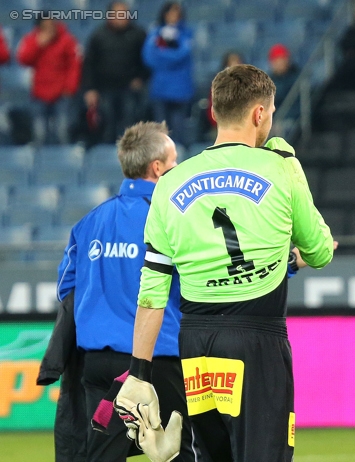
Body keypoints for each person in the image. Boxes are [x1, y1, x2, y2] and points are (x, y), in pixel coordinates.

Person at [114, 64, 334, 462]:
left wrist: (138, 372)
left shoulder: (169, 183)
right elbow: (319, 251)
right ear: (260, 114)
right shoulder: (280, 167)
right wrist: (290, 166)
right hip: (257, 338)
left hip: (195, 341)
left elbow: (153, 290)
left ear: (213, 113)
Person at [55, 121, 196, 461]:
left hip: (98, 365)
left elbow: (66, 289)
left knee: (103, 457)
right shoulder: (171, 219)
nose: (177, 171)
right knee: (186, 451)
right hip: (155, 360)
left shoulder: (89, 222)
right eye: (174, 163)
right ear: (157, 168)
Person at [82, 1, 148, 144]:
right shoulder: (98, 36)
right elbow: (89, 65)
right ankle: (107, 159)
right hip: (105, 89)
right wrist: (90, 88)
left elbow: (147, 61)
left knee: (130, 127)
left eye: (125, 13)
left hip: (130, 89)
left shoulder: (138, 34)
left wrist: (140, 78)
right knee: (107, 125)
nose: (123, 17)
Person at [17, 15, 82, 144]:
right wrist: (38, 45)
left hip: (62, 93)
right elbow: (24, 59)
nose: (50, 28)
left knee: (62, 130)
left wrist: (70, 87)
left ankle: (65, 160)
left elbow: (75, 65)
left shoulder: (66, 40)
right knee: (39, 132)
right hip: (40, 93)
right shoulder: (32, 40)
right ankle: (39, 161)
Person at [143, 2, 194, 146]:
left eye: (176, 13)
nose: (173, 16)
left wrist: (162, 56)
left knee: (178, 132)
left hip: (180, 90)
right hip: (160, 89)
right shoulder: (155, 33)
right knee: (161, 133)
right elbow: (149, 58)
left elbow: (182, 54)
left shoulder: (186, 33)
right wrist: (170, 57)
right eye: (170, 13)